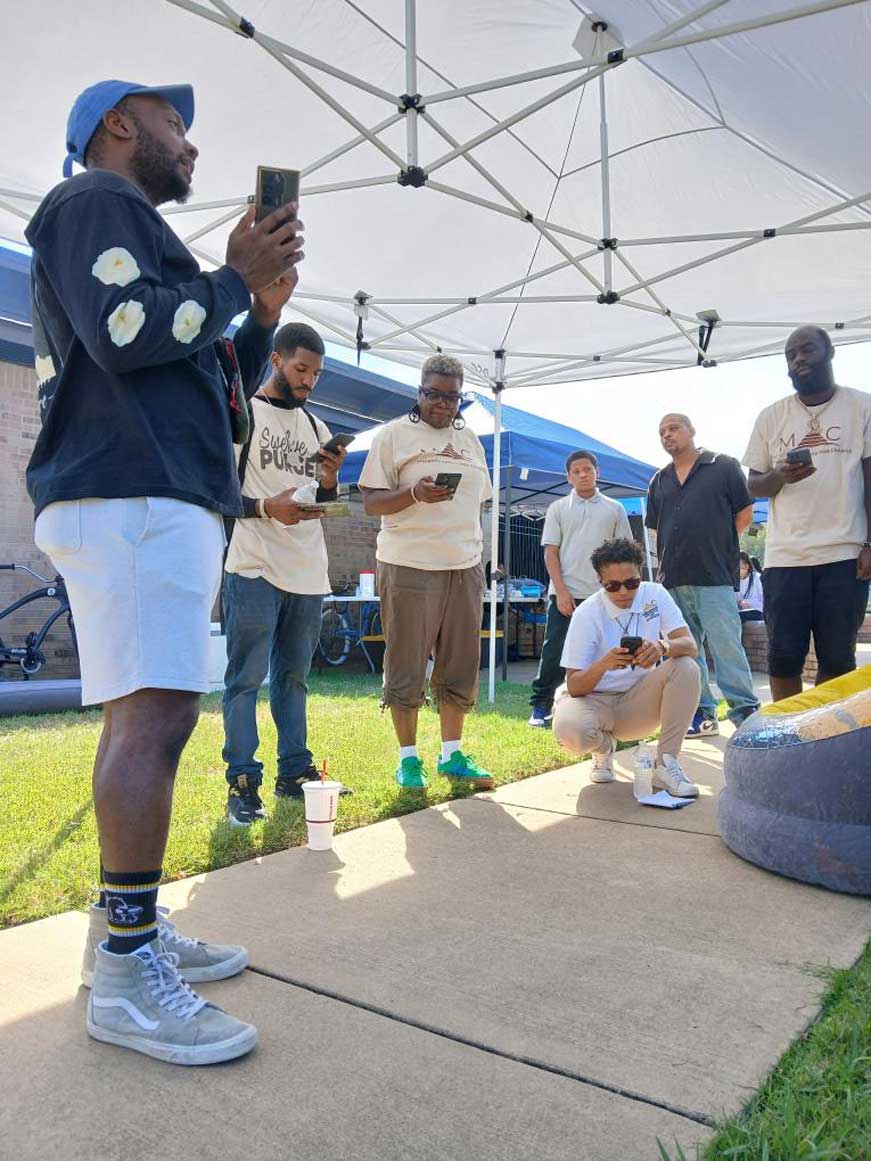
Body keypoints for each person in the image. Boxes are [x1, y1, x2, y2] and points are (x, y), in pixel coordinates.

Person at [27, 79, 305, 1064]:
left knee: (137, 713)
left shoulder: (126, 225)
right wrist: (232, 281)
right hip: (133, 492)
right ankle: (128, 975)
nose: (190, 143)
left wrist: (257, 317)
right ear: (118, 125)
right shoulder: (94, 203)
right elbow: (127, 334)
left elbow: (190, 365)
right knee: (157, 714)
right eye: (174, 123)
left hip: (143, 493)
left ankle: (123, 929)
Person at [221, 322, 349, 825]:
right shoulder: (245, 415)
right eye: (301, 370)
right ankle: (242, 782)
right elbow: (220, 494)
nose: (308, 381)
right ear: (275, 360)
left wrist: (330, 481)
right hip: (252, 564)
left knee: (294, 678)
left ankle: (294, 772)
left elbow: (324, 501)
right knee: (246, 678)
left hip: (306, 570)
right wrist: (265, 508)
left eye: (316, 374)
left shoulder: (317, 429)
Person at [358, 354, 494, 789]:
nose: (442, 403)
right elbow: (372, 502)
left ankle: (451, 755)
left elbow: (480, 501)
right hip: (408, 563)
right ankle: (409, 758)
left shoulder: (471, 440)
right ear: (420, 392)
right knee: (407, 663)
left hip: (464, 566)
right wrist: (414, 493)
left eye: (451, 397)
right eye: (434, 394)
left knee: (459, 663)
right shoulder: (394, 435)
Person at [744, 325, 871, 701]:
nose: (798, 359)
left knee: (837, 657)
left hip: (845, 553)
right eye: (790, 354)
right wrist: (779, 476)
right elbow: (753, 485)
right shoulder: (771, 416)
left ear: (829, 351)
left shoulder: (862, 406)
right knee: (783, 658)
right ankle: (789, 735)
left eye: (806, 350)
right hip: (786, 557)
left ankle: (826, 737)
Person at [552, 538, 701, 795]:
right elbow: (575, 685)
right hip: (593, 702)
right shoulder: (587, 613)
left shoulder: (654, 595)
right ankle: (603, 749)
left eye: (631, 583)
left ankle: (666, 763)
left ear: (640, 575)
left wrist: (662, 647)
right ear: (600, 582)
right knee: (570, 731)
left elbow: (690, 644)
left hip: (637, 703)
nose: (623, 592)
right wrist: (604, 664)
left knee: (686, 667)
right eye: (613, 585)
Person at [646, 414, 759, 737]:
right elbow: (656, 529)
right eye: (662, 431)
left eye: (673, 428)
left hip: (714, 576)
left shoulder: (723, 465)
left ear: (691, 431)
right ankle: (702, 713)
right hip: (673, 580)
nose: (667, 435)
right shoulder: (659, 480)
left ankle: (745, 713)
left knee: (727, 647)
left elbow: (745, 513)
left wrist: (717, 547)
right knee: (686, 650)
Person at [528, 450, 632, 727]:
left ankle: (610, 706)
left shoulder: (615, 509)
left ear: (597, 472)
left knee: (607, 652)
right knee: (555, 651)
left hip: (605, 595)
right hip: (567, 593)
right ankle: (540, 706)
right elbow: (551, 552)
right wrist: (561, 591)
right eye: (577, 471)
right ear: (568, 477)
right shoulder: (559, 508)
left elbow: (625, 553)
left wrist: (623, 590)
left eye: (588, 469)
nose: (583, 474)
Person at [736, 552, 764, 622]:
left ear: (747, 566)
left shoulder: (757, 578)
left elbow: (765, 602)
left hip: (757, 612)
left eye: (740, 567)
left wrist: (748, 603)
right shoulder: (735, 581)